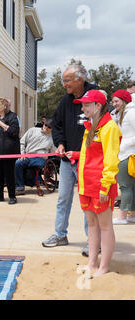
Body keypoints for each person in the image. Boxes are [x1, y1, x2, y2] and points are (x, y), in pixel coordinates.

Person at [41, 64, 96, 256]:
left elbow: (100, 129)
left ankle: (93, 240)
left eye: (67, 81)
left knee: (88, 203)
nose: (64, 85)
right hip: (67, 161)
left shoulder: (96, 96)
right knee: (63, 199)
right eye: (63, 81)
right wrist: (60, 144)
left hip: (87, 162)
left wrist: (84, 153)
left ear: (80, 79)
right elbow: (57, 125)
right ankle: (60, 235)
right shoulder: (66, 101)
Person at [66, 89, 121, 277]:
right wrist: (74, 155)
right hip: (86, 184)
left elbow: (111, 160)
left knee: (105, 225)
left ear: (98, 105)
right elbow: (89, 155)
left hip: (101, 186)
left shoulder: (110, 128)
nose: (83, 107)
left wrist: (106, 186)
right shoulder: (90, 127)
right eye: (82, 104)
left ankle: (104, 266)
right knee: (91, 224)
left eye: (87, 104)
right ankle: (92, 263)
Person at [110, 89, 135, 224]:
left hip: (127, 154)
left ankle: (122, 217)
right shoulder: (124, 113)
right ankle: (131, 215)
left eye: (116, 101)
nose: (114, 104)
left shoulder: (130, 113)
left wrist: (125, 144)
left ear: (124, 100)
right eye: (113, 101)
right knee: (131, 187)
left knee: (125, 187)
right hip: (127, 154)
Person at [0, 97, 20, 205]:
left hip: (8, 151)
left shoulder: (12, 116)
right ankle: (0, 195)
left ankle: (12, 196)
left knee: (9, 174)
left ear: (4, 107)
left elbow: (15, 132)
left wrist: (3, 125)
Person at [15, 119, 55, 195]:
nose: (46, 127)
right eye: (45, 125)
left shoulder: (51, 139)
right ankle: (20, 187)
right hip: (27, 155)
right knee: (18, 163)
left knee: (37, 164)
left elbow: (53, 153)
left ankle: (33, 180)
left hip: (40, 158)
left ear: (52, 129)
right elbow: (22, 142)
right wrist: (22, 154)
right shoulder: (32, 131)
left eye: (49, 127)